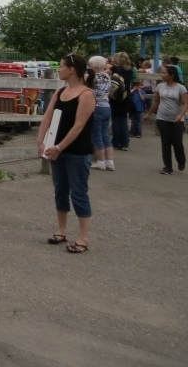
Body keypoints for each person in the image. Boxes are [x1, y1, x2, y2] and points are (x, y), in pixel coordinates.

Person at [38, 53, 96, 254]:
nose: (59, 69)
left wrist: (59, 147)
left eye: (62, 66)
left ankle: (83, 238)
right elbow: (47, 116)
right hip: (56, 150)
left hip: (77, 152)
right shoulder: (61, 91)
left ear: (71, 70)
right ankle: (61, 230)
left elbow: (79, 126)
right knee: (60, 189)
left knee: (78, 192)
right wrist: (41, 140)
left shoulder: (86, 95)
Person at [145, 64, 187, 174]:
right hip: (162, 118)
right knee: (166, 142)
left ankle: (181, 160)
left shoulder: (180, 88)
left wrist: (180, 115)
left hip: (177, 119)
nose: (162, 74)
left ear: (171, 75)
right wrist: (148, 113)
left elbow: (185, 103)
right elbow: (156, 101)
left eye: (164, 73)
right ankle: (167, 167)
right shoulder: (160, 87)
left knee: (177, 141)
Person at [87, 56, 114, 171]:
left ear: (95, 67)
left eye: (90, 66)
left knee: (96, 135)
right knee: (105, 135)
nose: (89, 68)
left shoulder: (93, 77)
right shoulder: (107, 76)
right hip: (106, 106)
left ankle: (101, 161)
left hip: (96, 107)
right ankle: (109, 162)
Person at [108, 52, 134, 151]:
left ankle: (115, 142)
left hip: (115, 96)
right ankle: (124, 143)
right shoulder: (130, 70)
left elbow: (103, 74)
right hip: (126, 96)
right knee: (123, 119)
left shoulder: (115, 68)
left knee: (115, 120)